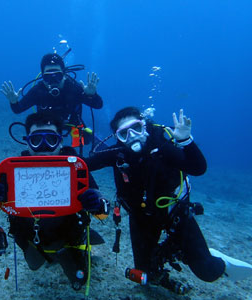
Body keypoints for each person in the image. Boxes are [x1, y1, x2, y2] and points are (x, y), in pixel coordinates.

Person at [85, 107, 252, 293]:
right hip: (141, 219)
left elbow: (198, 168)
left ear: (145, 127)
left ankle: (213, 258)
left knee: (208, 272)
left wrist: (186, 141)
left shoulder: (163, 148)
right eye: (124, 133)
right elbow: (83, 164)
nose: (132, 136)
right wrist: (56, 154)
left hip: (175, 214)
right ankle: (167, 267)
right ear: (118, 137)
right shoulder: (117, 154)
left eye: (136, 128)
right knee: (144, 276)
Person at [0, 112, 109, 291]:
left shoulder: (76, 169)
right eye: (36, 140)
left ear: (60, 141)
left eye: (51, 139)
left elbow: (103, 215)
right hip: (31, 240)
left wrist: (97, 205)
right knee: (34, 265)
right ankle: (51, 254)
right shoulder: (14, 170)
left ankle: (73, 251)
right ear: (27, 142)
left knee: (79, 281)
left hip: (69, 238)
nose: (44, 146)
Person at [1, 53, 103, 132]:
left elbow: (98, 105)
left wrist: (91, 95)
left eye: (57, 76)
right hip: (48, 128)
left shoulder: (74, 88)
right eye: (48, 77)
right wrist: (13, 101)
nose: (53, 81)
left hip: (72, 126)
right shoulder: (38, 91)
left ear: (64, 74)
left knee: (86, 137)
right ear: (42, 77)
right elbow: (18, 109)